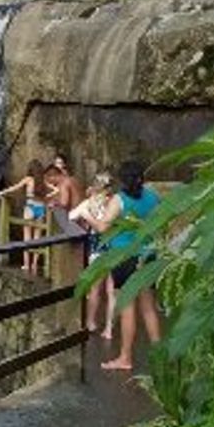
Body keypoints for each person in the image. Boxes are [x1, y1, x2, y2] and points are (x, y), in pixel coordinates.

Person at [86, 159, 162, 371]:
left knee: (128, 308)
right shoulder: (153, 197)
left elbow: (102, 227)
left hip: (124, 257)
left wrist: (88, 215)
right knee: (148, 308)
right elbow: (161, 221)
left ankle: (125, 358)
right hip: (148, 255)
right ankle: (160, 357)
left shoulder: (120, 200)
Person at [69, 171, 116, 339]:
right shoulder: (116, 202)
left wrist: (86, 216)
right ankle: (109, 328)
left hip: (98, 250)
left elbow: (71, 215)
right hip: (117, 249)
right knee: (112, 291)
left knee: (95, 289)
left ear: (95, 186)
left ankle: (91, 322)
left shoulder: (89, 204)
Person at [0, 159, 48, 273]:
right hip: (40, 209)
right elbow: (56, 190)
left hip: (30, 208)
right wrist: (47, 198)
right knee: (38, 239)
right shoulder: (42, 181)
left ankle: (26, 265)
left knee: (27, 238)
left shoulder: (28, 179)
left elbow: (15, 188)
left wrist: (3, 192)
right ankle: (34, 265)